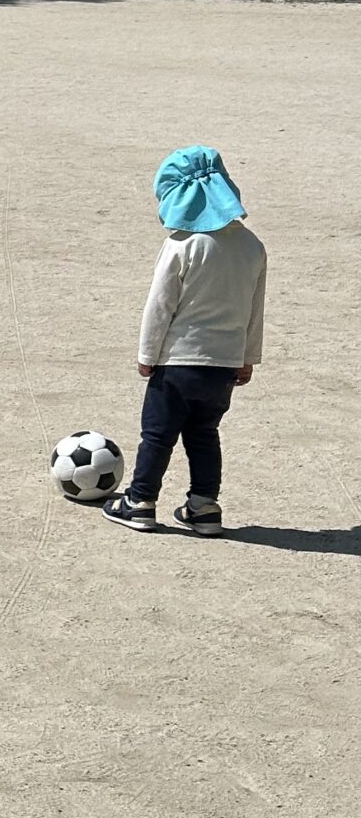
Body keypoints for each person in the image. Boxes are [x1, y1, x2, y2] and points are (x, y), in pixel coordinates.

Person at [104, 146, 266, 536]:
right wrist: (247, 357)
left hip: (177, 362)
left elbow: (160, 305)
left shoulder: (182, 244)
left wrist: (147, 354)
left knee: (157, 435)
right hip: (223, 367)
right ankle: (204, 507)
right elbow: (254, 308)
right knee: (204, 434)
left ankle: (140, 501)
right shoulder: (252, 246)